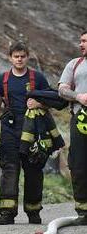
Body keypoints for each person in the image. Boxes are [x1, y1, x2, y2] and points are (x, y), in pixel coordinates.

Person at [0, 41, 50, 225]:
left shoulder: (38, 78)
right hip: (9, 131)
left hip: (33, 132)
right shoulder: (3, 79)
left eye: (22, 56)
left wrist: (39, 103)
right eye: (16, 56)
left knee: (33, 170)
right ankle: (7, 213)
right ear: (10, 58)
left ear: (27, 57)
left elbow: (53, 100)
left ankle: (33, 212)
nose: (19, 59)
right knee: (9, 170)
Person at [58, 30, 87, 225]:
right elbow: (61, 89)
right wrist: (78, 96)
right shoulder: (74, 64)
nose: (81, 44)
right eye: (81, 41)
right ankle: (84, 212)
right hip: (80, 119)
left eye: (85, 41)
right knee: (78, 164)